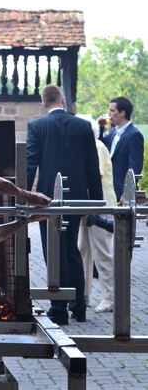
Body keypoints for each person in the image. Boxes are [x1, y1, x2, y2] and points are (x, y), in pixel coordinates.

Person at [26, 84, 103, 325]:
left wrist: (22, 196)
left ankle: (58, 309)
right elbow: (92, 165)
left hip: (48, 198)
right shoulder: (83, 126)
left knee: (53, 252)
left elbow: (30, 164)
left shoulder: (37, 126)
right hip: (77, 196)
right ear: (62, 100)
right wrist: (95, 202)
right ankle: (78, 307)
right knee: (71, 250)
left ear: (43, 103)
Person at [77, 117, 116, 314]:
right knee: (83, 249)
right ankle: (84, 294)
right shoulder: (89, 146)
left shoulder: (97, 146)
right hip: (87, 204)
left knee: (102, 252)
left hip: (99, 205)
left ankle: (110, 296)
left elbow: (95, 176)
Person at [98, 96, 144, 202]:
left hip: (121, 189)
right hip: (109, 188)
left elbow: (135, 166)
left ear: (122, 113)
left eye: (112, 110)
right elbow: (102, 146)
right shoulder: (113, 132)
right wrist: (100, 128)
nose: (109, 114)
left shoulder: (134, 135)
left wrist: (127, 191)